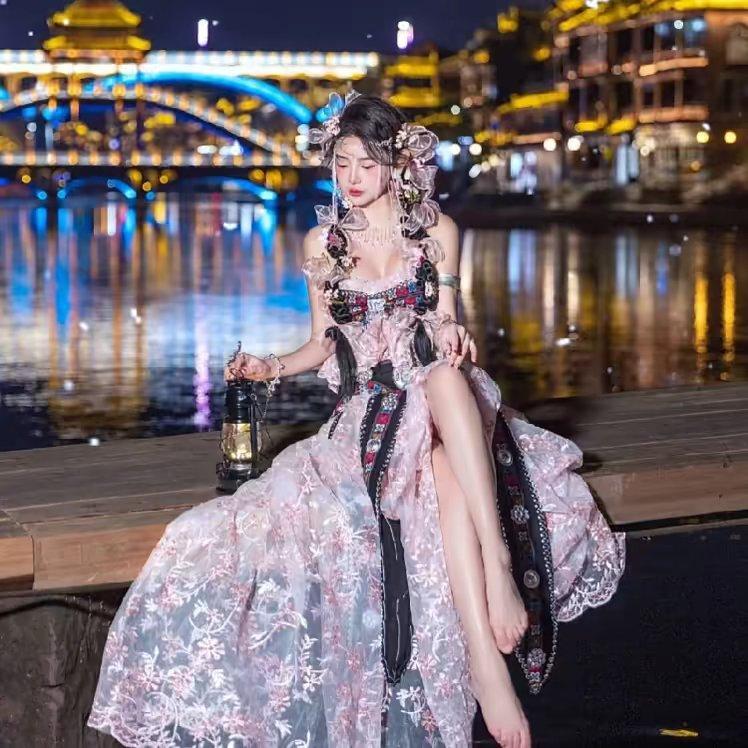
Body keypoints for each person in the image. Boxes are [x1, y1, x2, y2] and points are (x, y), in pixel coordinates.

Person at [88, 93, 625, 748]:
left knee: (444, 379)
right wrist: (268, 366)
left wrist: (451, 334)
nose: (352, 177)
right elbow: (322, 343)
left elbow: (448, 321)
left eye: (367, 164)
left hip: (447, 399)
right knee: (441, 469)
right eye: (341, 163)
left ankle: (497, 571)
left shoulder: (439, 235)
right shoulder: (325, 245)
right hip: (372, 418)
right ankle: (489, 645)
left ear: (398, 165)